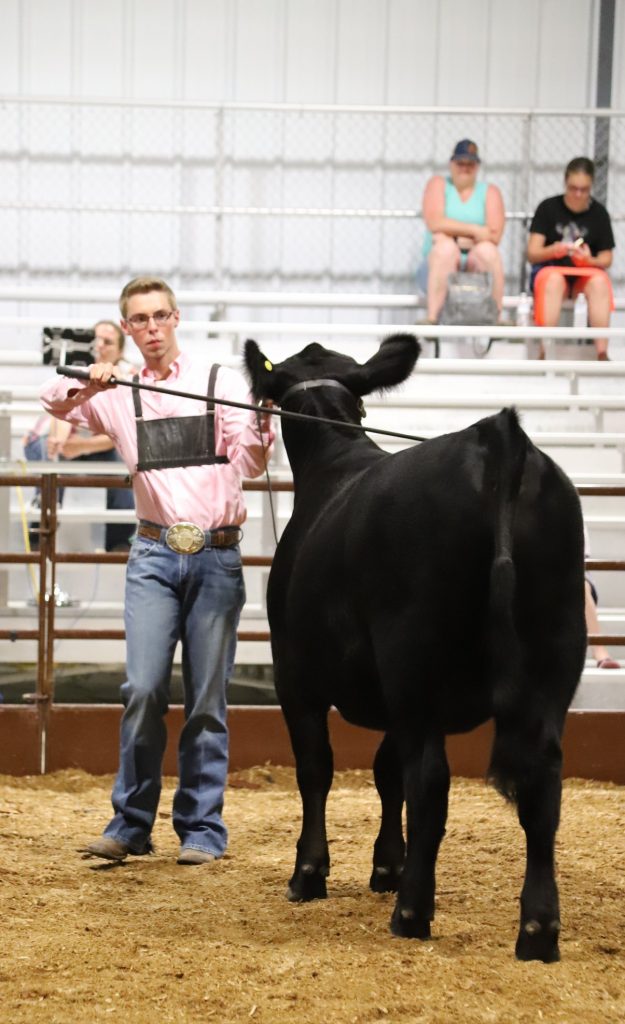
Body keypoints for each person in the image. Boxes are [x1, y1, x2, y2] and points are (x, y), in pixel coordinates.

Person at [40, 276, 274, 865]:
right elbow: (50, 398)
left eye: (159, 316)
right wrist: (89, 376)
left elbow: (247, 462)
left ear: (176, 318)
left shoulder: (219, 382)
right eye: (139, 320)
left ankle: (201, 828)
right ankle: (131, 824)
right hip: (152, 556)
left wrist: (264, 422)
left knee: (206, 699)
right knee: (142, 688)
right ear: (126, 329)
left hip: (217, 555)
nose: (151, 328)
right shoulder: (118, 391)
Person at [23, 320, 137, 552]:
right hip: (60, 439)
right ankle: (41, 533)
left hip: (97, 445)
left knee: (124, 458)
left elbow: (127, 431)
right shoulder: (76, 370)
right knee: (48, 451)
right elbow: (65, 412)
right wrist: (62, 442)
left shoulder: (130, 377)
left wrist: (82, 446)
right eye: (96, 340)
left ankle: (119, 544)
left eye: (108, 341)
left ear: (121, 350)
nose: (100, 346)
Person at [527, 156, 616, 360]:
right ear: (565, 182)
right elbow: (532, 252)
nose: (578, 194)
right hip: (553, 270)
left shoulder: (599, 213)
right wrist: (553, 251)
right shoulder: (548, 208)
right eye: (573, 188)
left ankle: (602, 353)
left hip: (583, 275)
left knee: (600, 282)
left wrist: (588, 261)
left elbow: (606, 258)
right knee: (553, 281)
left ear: (591, 186)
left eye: (584, 189)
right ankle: (545, 350)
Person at [418, 139, 505, 323]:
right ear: (451, 163)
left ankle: (497, 318)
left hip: (475, 262)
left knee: (488, 251)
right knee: (445, 250)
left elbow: (494, 235)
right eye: (460, 163)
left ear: (477, 166)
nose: (465, 168)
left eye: (470, 164)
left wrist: (450, 232)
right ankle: (432, 319)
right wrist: (475, 230)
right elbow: (434, 222)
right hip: (438, 264)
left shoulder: (489, 192)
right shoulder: (438, 184)